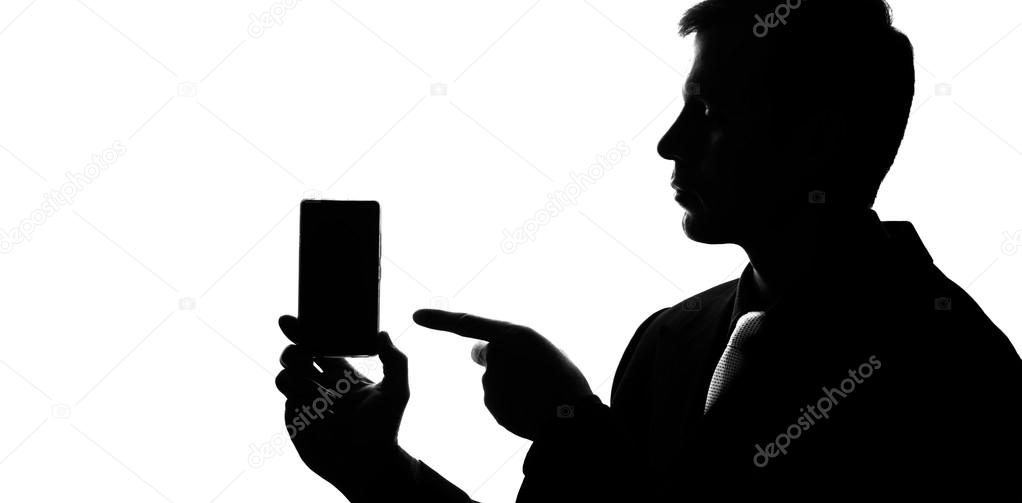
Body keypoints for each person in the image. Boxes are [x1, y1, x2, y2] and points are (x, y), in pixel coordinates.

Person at [275, 0, 1022, 500]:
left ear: (821, 138)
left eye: (712, 112)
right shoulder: (670, 340)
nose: (670, 142)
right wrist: (375, 467)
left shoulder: (957, 373)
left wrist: (575, 423)